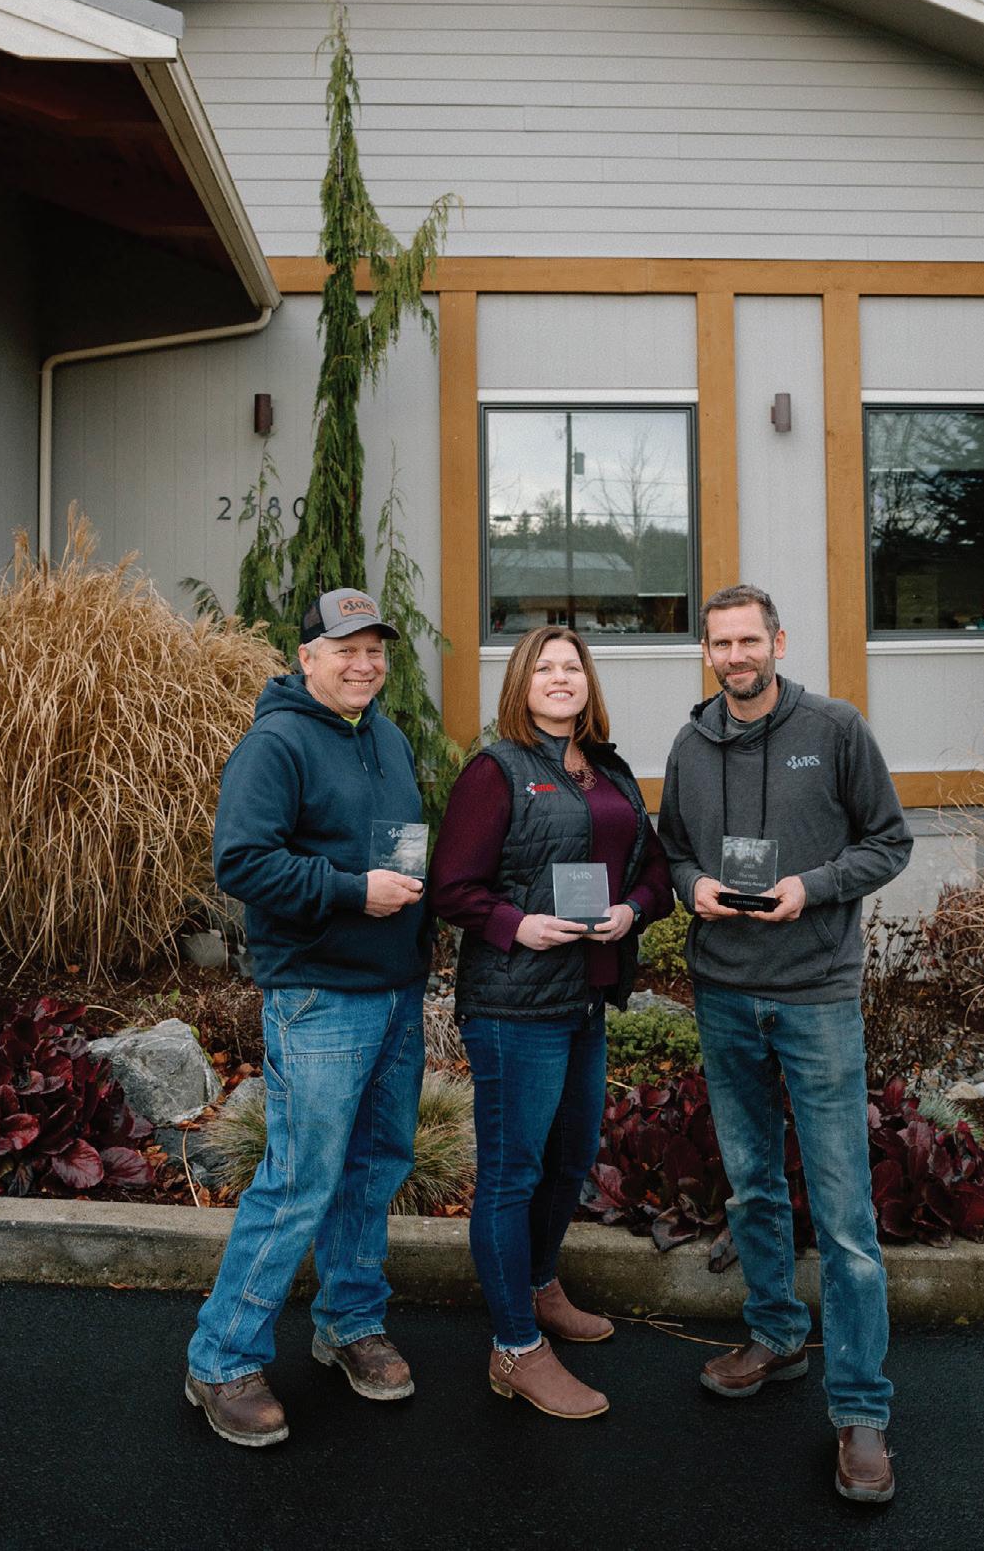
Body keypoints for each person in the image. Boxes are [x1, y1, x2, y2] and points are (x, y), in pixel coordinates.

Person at [657, 584, 912, 1504]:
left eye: (748, 640)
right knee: (754, 1184)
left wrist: (814, 885)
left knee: (844, 1216)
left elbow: (889, 842)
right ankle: (775, 1334)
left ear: (778, 641)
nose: (736, 656)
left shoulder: (836, 729)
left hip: (814, 997)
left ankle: (861, 1409)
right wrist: (691, 887)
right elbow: (672, 849)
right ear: (708, 652)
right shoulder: (690, 744)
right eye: (720, 643)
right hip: (725, 994)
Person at [186, 588, 430, 1448]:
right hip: (321, 996)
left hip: (396, 990)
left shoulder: (387, 737)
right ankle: (221, 1358)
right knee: (299, 1181)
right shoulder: (276, 744)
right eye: (346, 649)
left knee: (374, 1167)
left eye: (375, 650)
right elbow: (242, 862)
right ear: (307, 658)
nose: (364, 664)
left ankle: (350, 1322)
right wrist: (352, 892)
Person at [429, 625, 674, 1420]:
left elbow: (655, 869)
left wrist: (632, 911)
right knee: (513, 1173)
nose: (561, 678)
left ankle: (538, 1286)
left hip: (585, 997)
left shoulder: (609, 771)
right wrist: (517, 924)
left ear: (588, 682)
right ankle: (514, 1347)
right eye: (545, 668)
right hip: (514, 1006)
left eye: (573, 667)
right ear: (522, 684)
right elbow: (451, 886)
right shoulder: (496, 771)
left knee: (569, 1163)